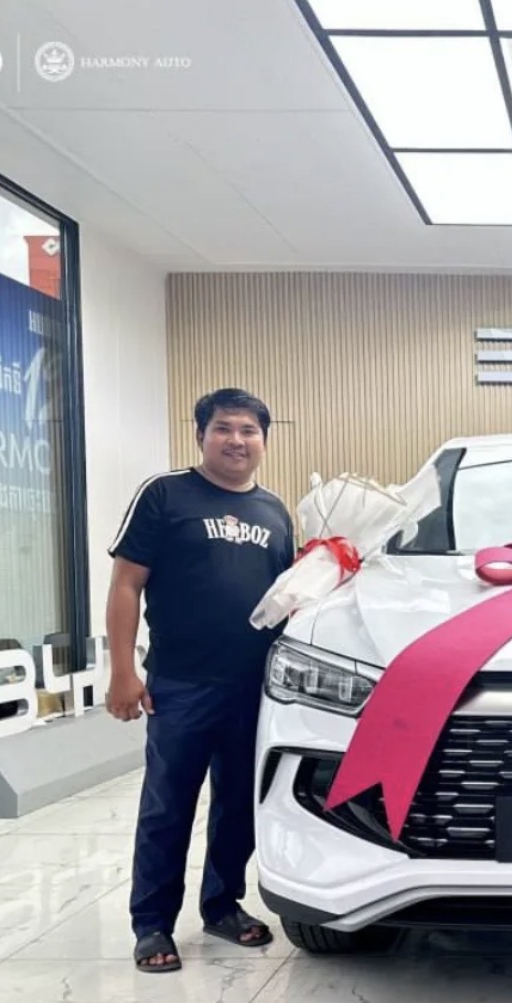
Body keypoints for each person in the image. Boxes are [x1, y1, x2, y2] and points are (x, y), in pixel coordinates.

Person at [105, 388, 295, 973]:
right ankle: (152, 924)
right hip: (181, 684)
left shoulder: (274, 512)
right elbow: (126, 584)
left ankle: (222, 905)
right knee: (169, 805)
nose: (237, 440)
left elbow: (287, 598)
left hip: (255, 688)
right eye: (224, 428)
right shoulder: (165, 494)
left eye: (249, 430)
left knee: (238, 803)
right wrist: (122, 672)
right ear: (201, 435)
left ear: (264, 441)